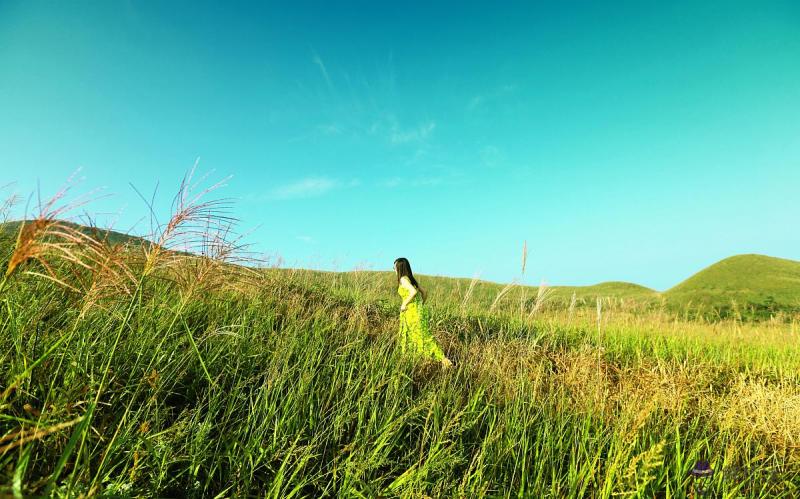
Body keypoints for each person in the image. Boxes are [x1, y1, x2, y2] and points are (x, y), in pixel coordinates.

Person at [393, 257, 453, 368]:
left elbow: (413, 292)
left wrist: (404, 304)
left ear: (399, 268)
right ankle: (429, 361)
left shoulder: (403, 279)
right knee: (422, 336)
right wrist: (420, 305)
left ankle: (444, 360)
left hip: (411, 313)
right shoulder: (411, 279)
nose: (394, 270)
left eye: (394, 267)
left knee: (419, 337)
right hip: (418, 312)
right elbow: (425, 293)